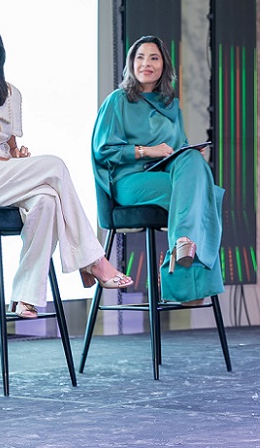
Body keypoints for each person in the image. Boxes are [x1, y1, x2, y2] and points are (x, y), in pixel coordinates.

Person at [0, 18, 133, 319]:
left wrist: (19, 156)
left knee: (47, 200)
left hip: (3, 179)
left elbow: (11, 145)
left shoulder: (10, 93)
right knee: (54, 165)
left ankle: (25, 297)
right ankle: (93, 260)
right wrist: (17, 165)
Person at [92, 35, 224, 305]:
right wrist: (145, 151)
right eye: (140, 58)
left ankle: (183, 242)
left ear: (164, 65)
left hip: (165, 176)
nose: (146, 64)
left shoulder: (170, 106)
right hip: (130, 181)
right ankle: (187, 281)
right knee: (205, 194)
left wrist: (187, 152)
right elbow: (103, 150)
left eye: (154, 58)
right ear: (131, 63)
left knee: (194, 161)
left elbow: (177, 148)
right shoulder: (118, 101)